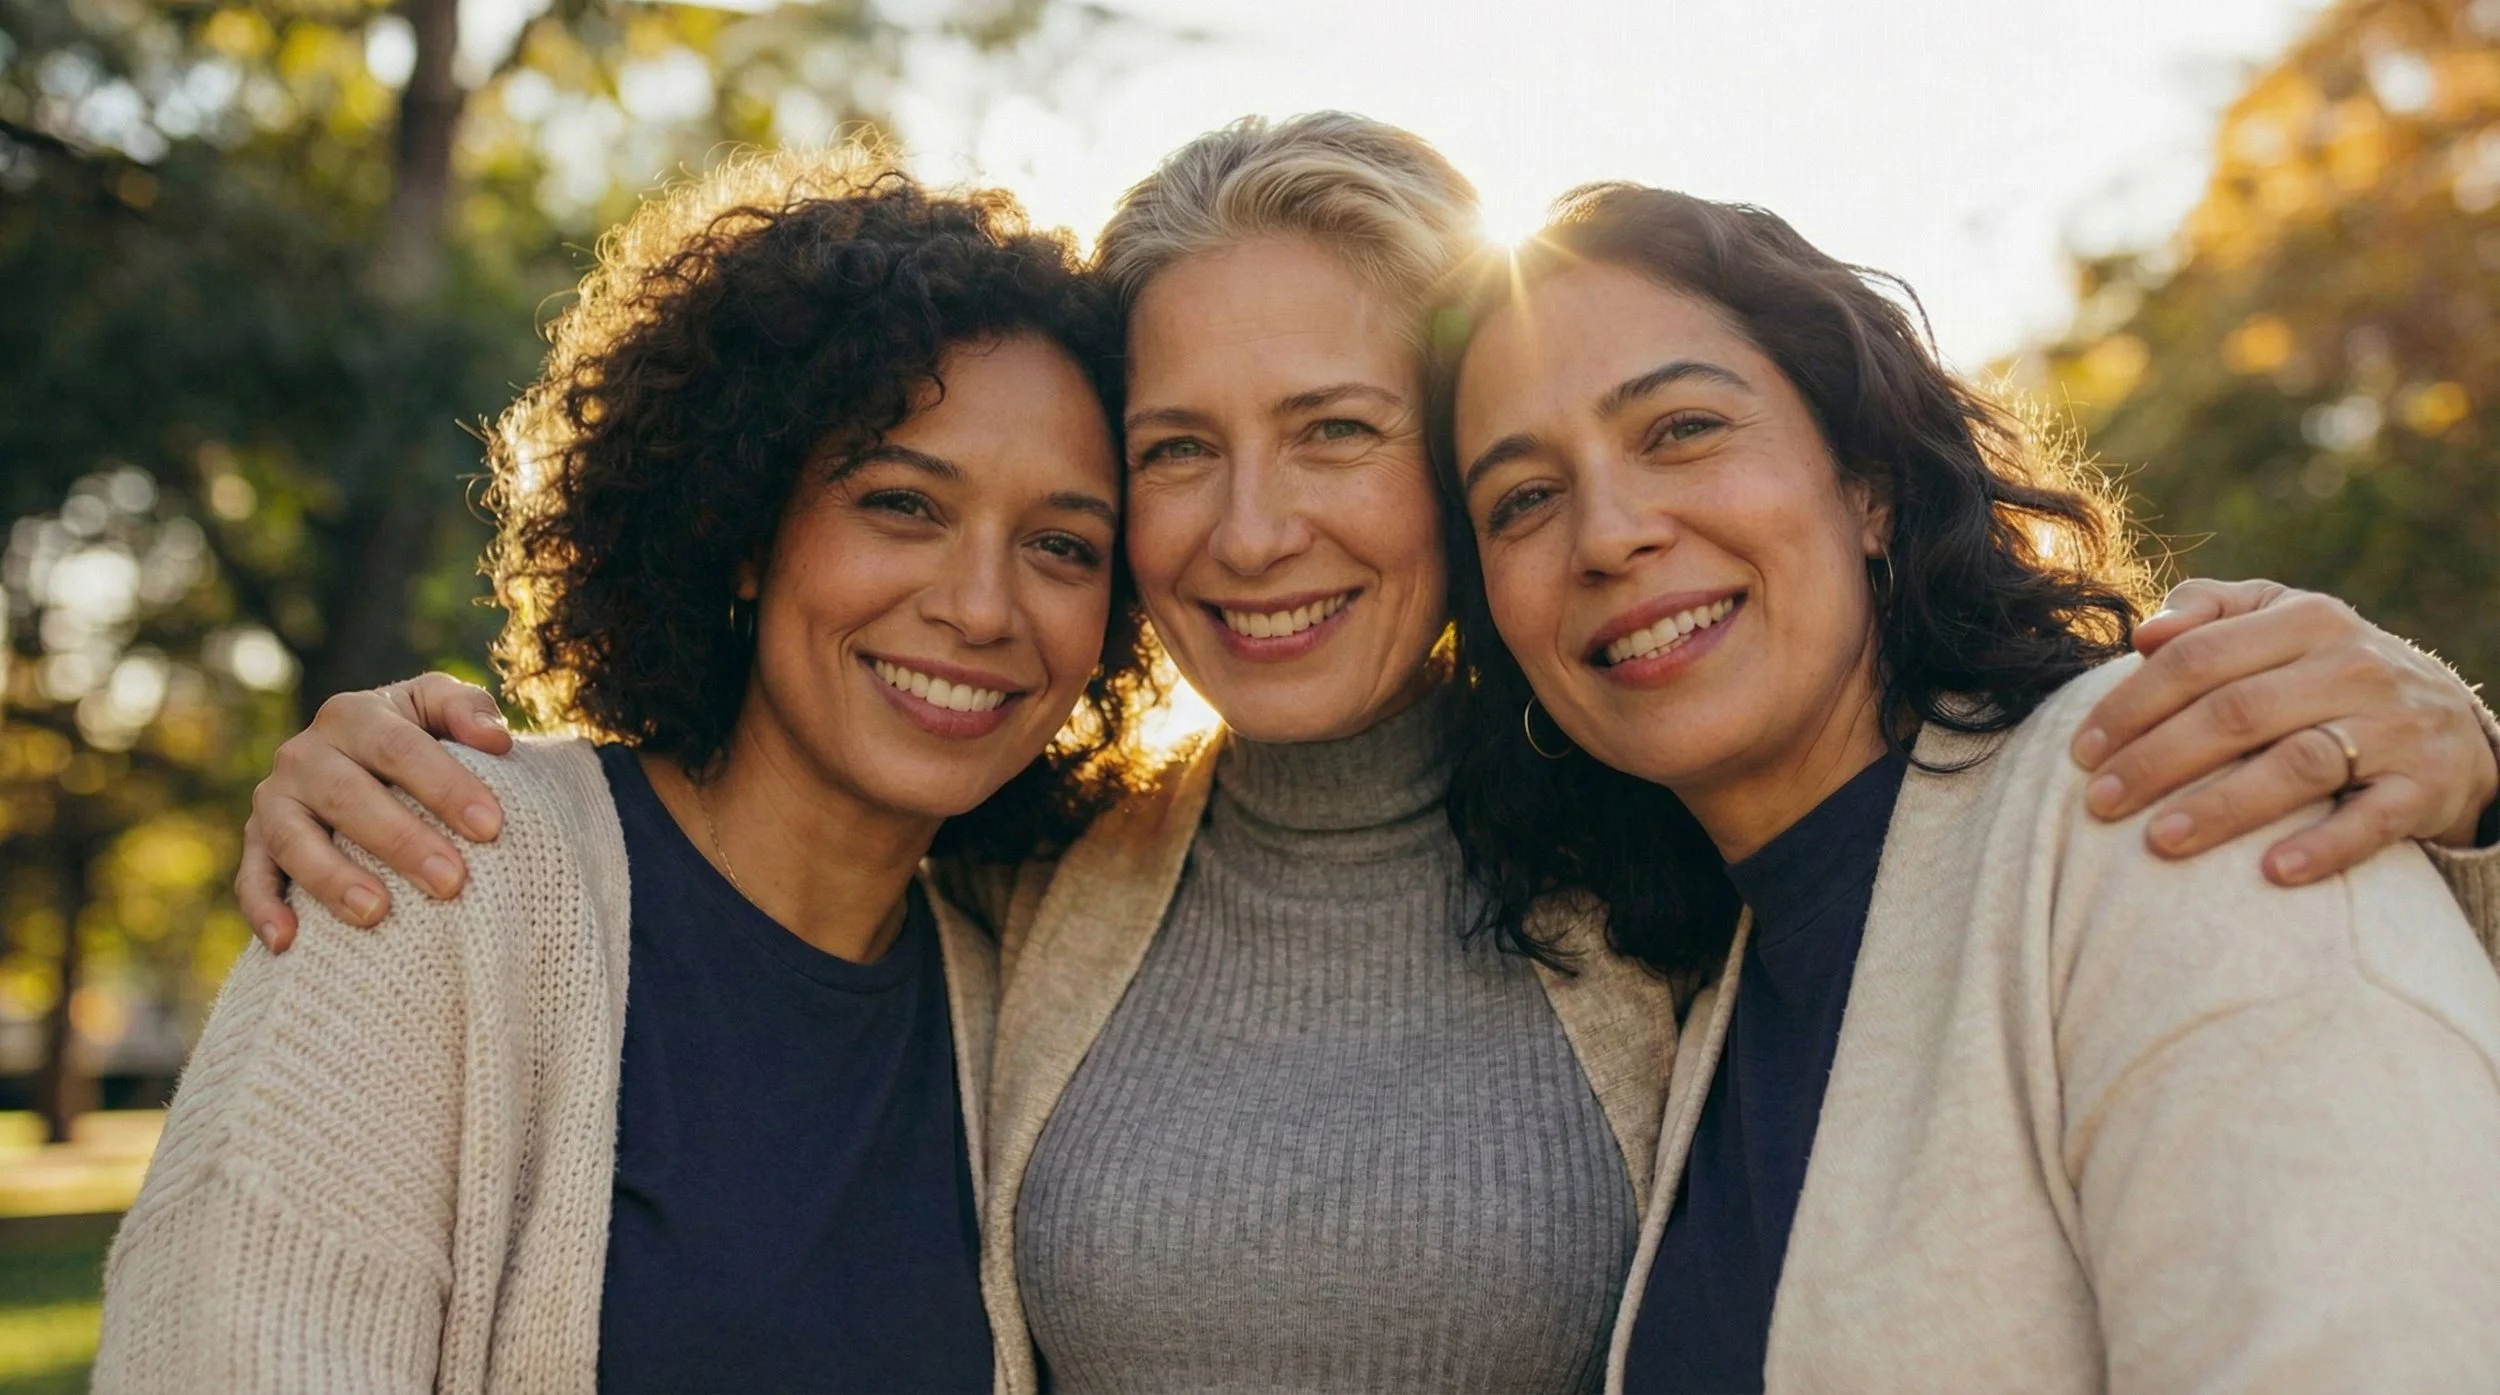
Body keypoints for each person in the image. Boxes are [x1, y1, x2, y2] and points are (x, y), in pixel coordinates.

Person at [226, 117, 2500, 1393]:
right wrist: (413, 769)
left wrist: (2453, 753)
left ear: (1443, 467)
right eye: (1177, 453)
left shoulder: (1675, 870)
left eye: (1341, 436)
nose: (1256, 526)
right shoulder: (1032, 891)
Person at [94, 150, 1160, 1393]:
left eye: (1062, 545)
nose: (983, 608)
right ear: (746, 528)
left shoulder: (1016, 992)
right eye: (901, 506)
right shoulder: (433, 874)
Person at [1436, 182, 2500, 1394]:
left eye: (1681, 429)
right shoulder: (1709, 981)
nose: (1607, 534)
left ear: (1869, 485)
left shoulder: (2163, 777)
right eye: (1521, 499)